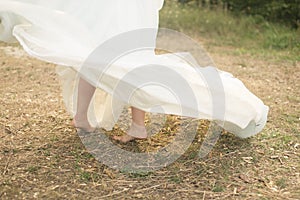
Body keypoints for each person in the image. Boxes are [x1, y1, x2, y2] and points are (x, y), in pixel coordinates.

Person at [0, 0, 269, 143]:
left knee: (122, 62)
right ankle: (88, 119)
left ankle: (134, 124)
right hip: (119, 8)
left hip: (125, 9)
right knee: (95, 56)